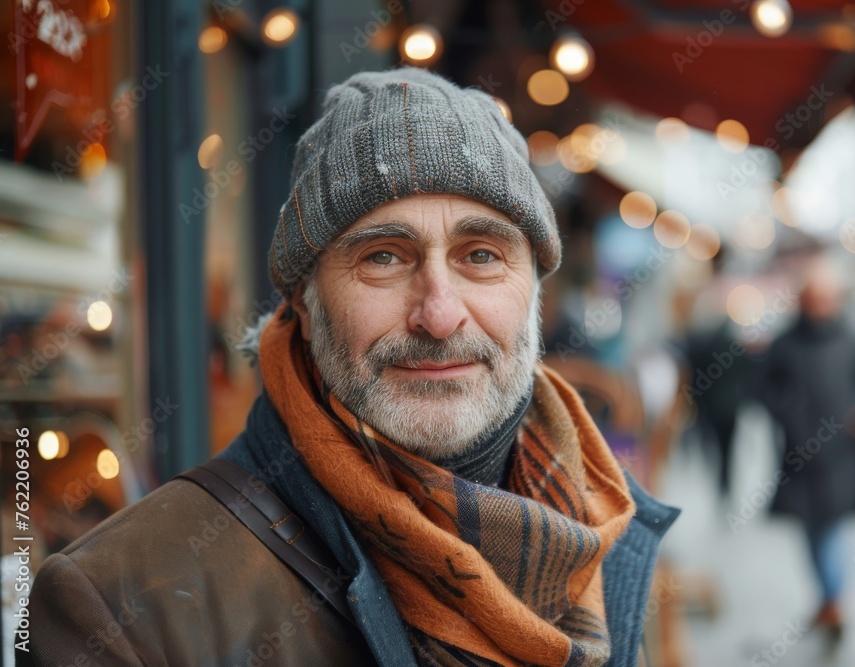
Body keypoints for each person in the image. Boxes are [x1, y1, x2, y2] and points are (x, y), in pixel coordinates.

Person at [20, 68, 678, 667]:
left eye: (481, 254)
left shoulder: (602, 525)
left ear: (535, 292)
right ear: (305, 305)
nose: (440, 313)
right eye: (384, 257)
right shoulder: (121, 602)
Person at [760, 260, 855, 641]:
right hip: (800, 455)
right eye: (814, 298)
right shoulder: (785, 343)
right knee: (812, 532)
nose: (821, 305)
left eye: (826, 298)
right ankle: (828, 600)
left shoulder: (849, 339)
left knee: (833, 529)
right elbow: (766, 389)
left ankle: (834, 601)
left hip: (842, 454)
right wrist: (790, 414)